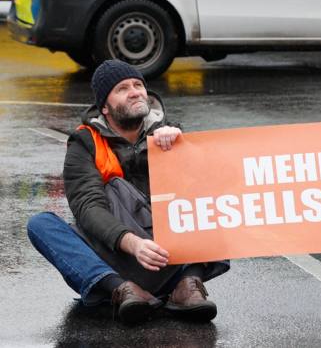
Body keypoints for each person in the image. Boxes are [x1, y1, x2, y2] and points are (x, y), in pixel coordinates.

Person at [26, 60, 229, 324]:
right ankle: (121, 290)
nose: (135, 91)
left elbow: (203, 192)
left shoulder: (170, 136)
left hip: (170, 255)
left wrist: (184, 151)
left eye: (138, 85)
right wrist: (132, 242)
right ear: (105, 107)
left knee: (223, 201)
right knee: (40, 225)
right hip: (115, 255)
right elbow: (88, 207)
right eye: (122, 88)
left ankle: (188, 285)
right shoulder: (84, 143)